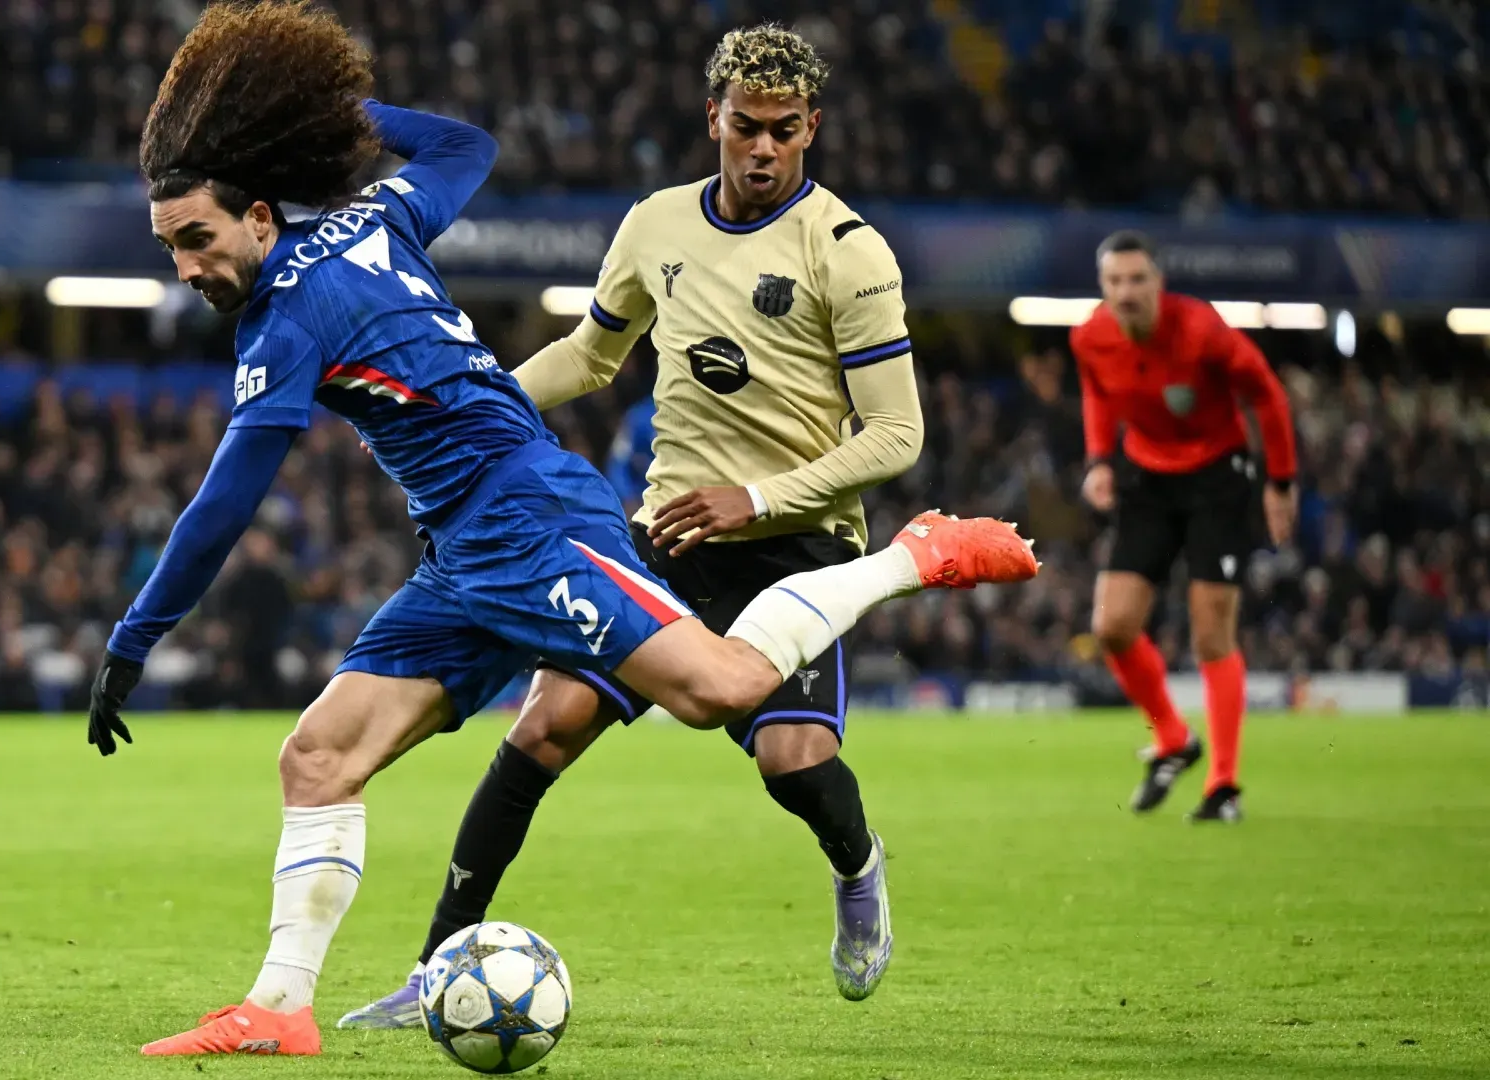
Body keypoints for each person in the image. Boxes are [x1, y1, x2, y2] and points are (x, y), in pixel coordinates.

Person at [84, 1, 1037, 1058]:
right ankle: (278, 1007)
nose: (187, 268)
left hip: (537, 523)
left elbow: (228, 498)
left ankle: (920, 554)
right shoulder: (374, 214)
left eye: (199, 240)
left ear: (261, 216)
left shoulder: (286, 320)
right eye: (170, 247)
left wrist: (133, 635)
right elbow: (462, 147)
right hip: (468, 546)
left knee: (726, 692)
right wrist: (328, 118)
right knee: (318, 756)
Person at [341, 23, 940, 1028]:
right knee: (543, 727)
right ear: (713, 117)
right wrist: (464, 415)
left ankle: (858, 867)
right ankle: (433, 968)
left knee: (792, 763)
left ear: (812, 129)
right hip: (666, 539)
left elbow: (897, 433)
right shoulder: (656, 224)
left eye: (783, 132)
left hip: (794, 549)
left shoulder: (848, 250)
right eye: (745, 127)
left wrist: (757, 497)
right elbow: (590, 354)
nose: (761, 150)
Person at [1072, 231, 1298, 823]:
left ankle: (1222, 785)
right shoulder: (1090, 336)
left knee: (1209, 634)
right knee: (1112, 626)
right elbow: (1097, 391)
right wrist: (1099, 459)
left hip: (1217, 478)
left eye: (1137, 280)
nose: (1126, 292)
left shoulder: (1202, 332)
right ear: (1103, 286)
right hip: (1147, 477)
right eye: (1115, 281)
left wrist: (1281, 481)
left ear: (1158, 283)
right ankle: (1174, 738)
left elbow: (1267, 395)